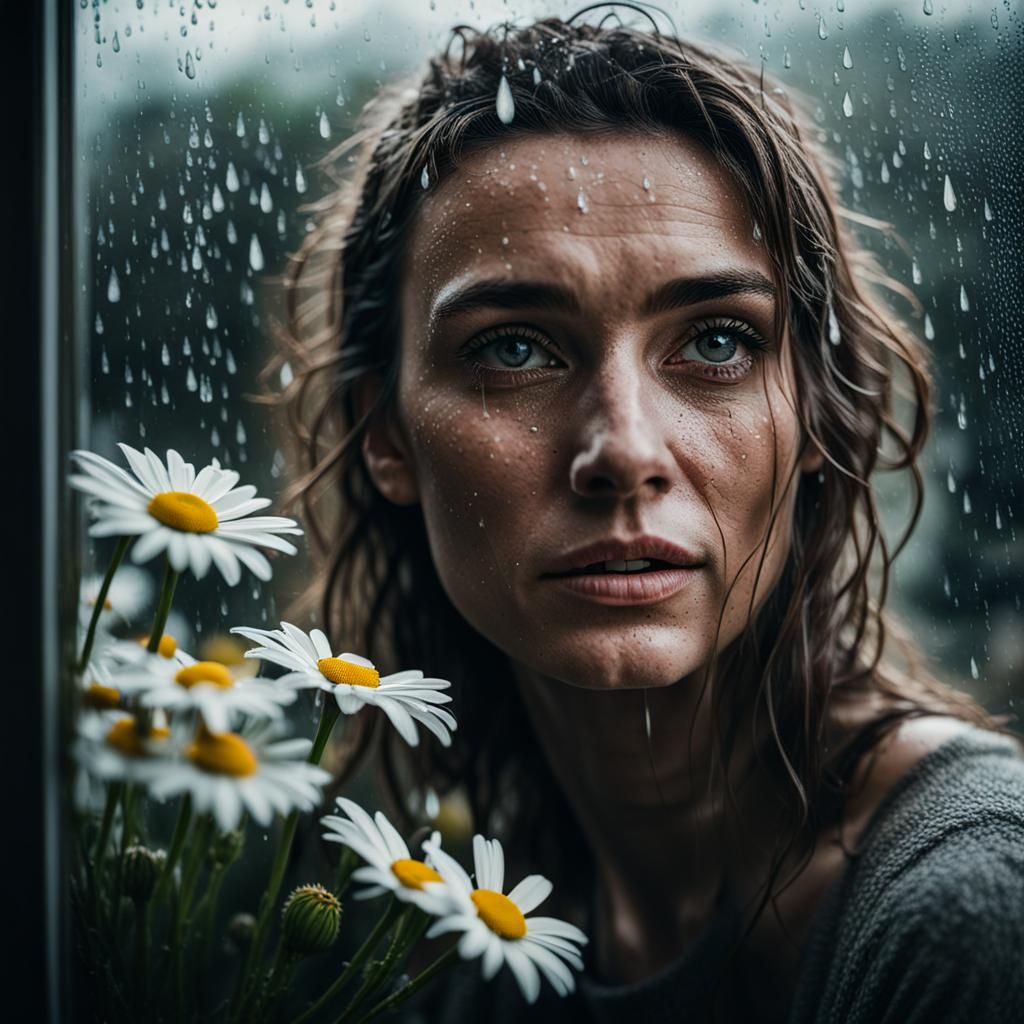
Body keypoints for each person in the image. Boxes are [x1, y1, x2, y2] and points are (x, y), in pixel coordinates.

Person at [267, 11, 1024, 1022]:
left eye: (716, 342)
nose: (624, 450)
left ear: (816, 412)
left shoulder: (974, 921)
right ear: (386, 434)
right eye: (513, 349)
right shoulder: (484, 950)